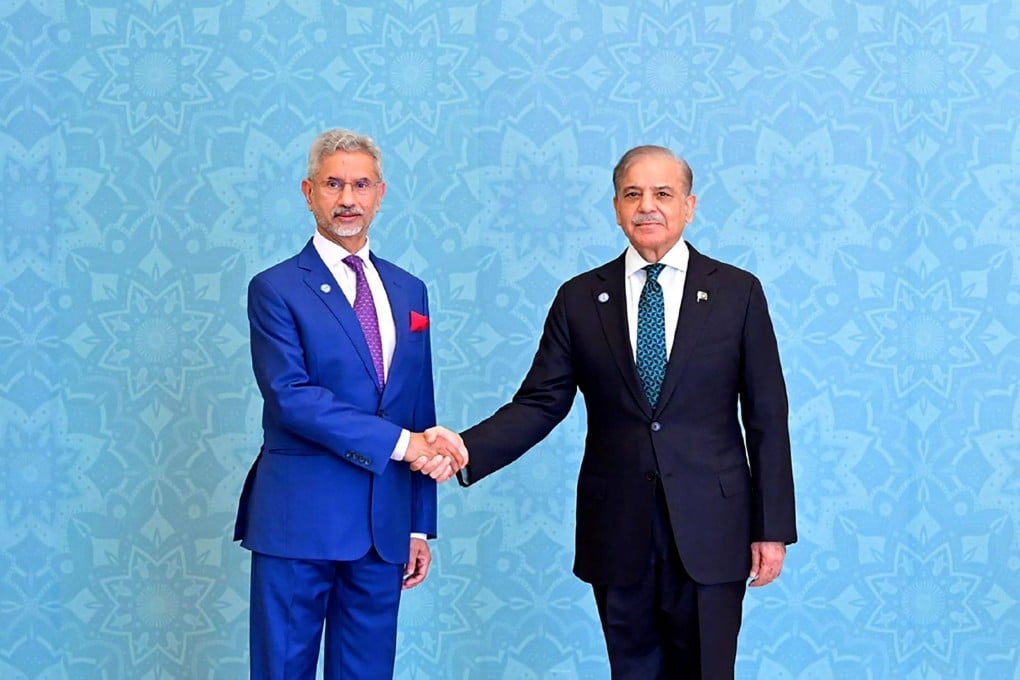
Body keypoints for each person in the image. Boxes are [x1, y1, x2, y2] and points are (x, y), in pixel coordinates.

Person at [439, 145, 797, 679]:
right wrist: (466, 449)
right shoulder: (580, 298)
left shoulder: (737, 293)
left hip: (713, 527)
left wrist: (772, 527)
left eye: (663, 194)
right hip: (619, 528)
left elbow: (767, 416)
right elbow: (540, 403)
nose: (647, 206)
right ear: (615, 206)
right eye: (634, 194)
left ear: (689, 206)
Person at [234, 128, 466, 679]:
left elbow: (418, 403)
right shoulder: (275, 288)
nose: (348, 199)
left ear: (380, 193)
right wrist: (405, 446)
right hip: (298, 522)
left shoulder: (410, 290)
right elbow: (292, 398)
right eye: (333, 184)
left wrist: (417, 525)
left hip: (384, 529)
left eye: (360, 185)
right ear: (308, 191)